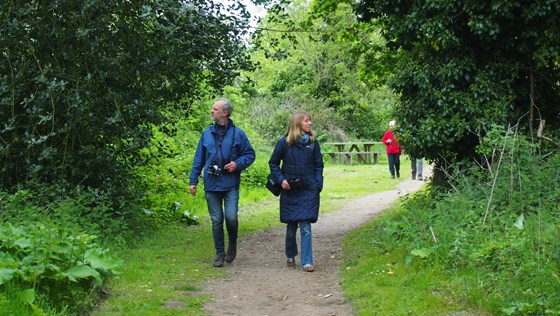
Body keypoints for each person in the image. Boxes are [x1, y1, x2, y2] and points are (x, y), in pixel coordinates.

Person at [189, 98, 256, 267]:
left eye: (215, 109)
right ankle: (219, 254)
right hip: (211, 184)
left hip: (230, 183)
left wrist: (237, 164)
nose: (212, 111)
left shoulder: (238, 133)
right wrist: (193, 181)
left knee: (231, 218)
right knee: (217, 220)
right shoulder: (206, 133)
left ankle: (232, 243)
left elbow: (250, 154)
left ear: (224, 113)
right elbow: (199, 159)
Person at [268, 111, 324, 272]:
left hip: (308, 190)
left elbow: (318, 165)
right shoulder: (284, 143)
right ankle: (290, 255)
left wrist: (317, 184)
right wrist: (281, 180)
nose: (310, 124)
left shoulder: (313, 143)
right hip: (290, 190)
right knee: (291, 226)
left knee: (306, 226)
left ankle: (307, 261)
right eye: (307, 121)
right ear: (298, 123)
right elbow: (273, 163)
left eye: (310, 121)